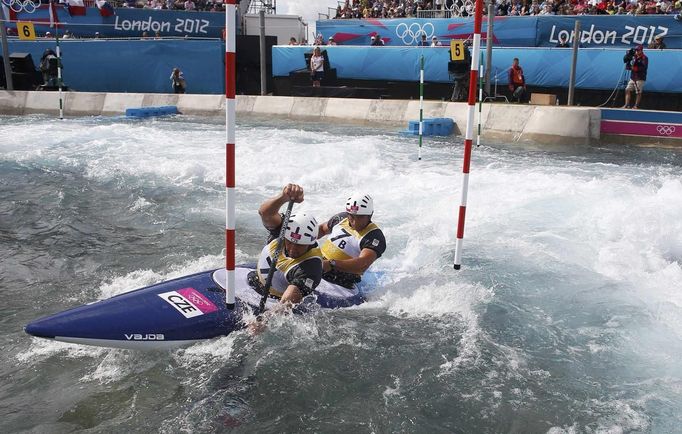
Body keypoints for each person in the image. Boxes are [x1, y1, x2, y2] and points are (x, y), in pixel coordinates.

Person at [255, 184, 323, 304]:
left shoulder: (311, 266)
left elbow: (285, 304)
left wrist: (263, 320)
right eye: (290, 242)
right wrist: (283, 197)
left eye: (300, 245)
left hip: (275, 300)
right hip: (254, 282)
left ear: (310, 243)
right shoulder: (284, 230)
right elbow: (264, 213)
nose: (292, 249)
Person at [318, 193, 387, 289]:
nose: (355, 221)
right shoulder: (341, 218)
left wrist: (331, 264)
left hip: (341, 280)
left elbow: (363, 264)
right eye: (352, 217)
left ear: (370, 215)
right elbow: (321, 229)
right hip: (317, 266)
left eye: (360, 217)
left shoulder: (374, 236)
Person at [623, 45, 648, 109]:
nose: (636, 51)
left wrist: (634, 68)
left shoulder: (644, 58)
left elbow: (644, 68)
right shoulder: (634, 57)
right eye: (636, 50)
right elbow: (629, 65)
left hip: (640, 77)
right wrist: (628, 59)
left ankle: (636, 106)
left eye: (638, 50)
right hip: (633, 77)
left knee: (638, 92)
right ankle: (626, 105)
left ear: (641, 50)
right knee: (627, 89)